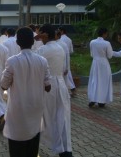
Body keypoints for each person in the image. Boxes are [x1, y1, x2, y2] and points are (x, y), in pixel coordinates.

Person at [0, 26, 51, 157]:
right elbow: (48, 86)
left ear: (17, 42)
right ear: (33, 42)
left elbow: (3, 85)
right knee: (33, 145)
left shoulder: (12, 61)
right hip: (36, 106)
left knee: (17, 144)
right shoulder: (42, 61)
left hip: (18, 108)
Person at [37, 24, 72, 157]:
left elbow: (39, 70)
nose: (39, 36)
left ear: (45, 35)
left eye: (40, 34)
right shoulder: (60, 48)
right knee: (62, 117)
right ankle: (65, 149)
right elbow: (63, 68)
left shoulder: (42, 51)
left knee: (48, 117)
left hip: (48, 86)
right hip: (61, 84)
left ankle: (55, 146)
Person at [88, 27, 113, 108]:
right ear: (104, 34)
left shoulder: (92, 42)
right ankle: (101, 101)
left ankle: (93, 98)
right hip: (103, 63)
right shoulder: (107, 43)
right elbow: (110, 55)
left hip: (95, 62)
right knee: (103, 81)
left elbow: (91, 54)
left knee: (94, 80)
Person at [55, 30, 76, 96]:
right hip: (61, 64)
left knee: (62, 81)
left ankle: (65, 93)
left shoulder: (60, 44)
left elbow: (67, 55)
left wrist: (67, 67)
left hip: (62, 64)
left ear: (58, 35)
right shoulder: (62, 43)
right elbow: (69, 54)